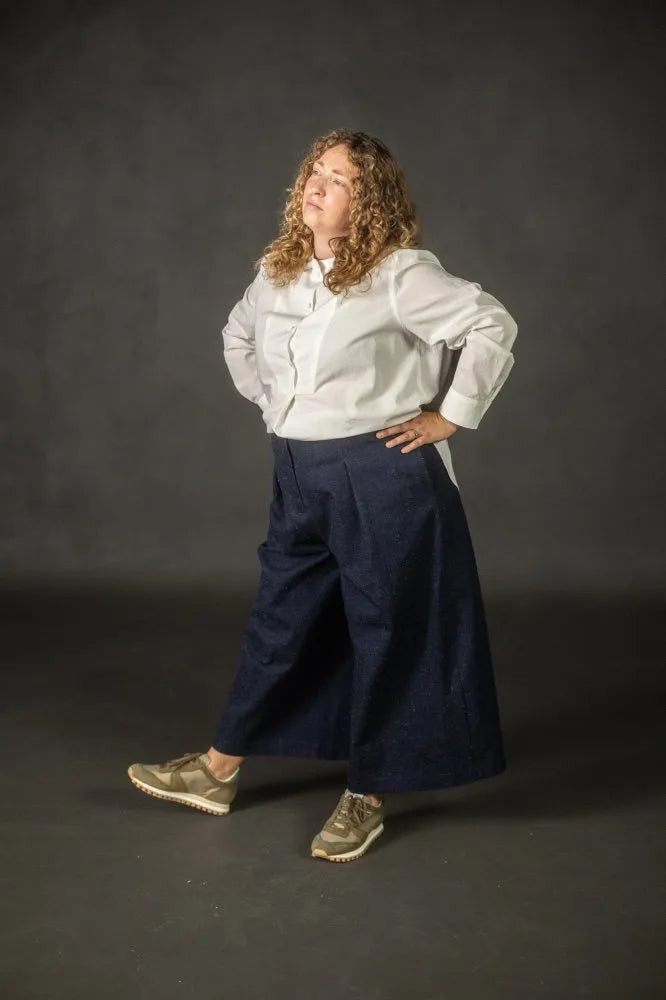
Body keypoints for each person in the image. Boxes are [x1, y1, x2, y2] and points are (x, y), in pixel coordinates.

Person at [128, 129, 518, 863]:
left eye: (339, 179)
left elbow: (490, 324)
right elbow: (238, 338)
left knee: (389, 629)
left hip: (381, 474)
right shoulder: (279, 270)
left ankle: (368, 792)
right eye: (315, 170)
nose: (316, 184)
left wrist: (450, 416)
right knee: (282, 620)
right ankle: (219, 769)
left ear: (368, 202)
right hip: (300, 471)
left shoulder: (399, 273)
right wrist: (285, 411)